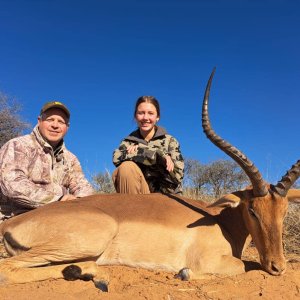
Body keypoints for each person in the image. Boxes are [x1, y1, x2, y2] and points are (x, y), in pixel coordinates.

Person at [0, 101, 95, 222]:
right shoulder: (18, 145)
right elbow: (13, 184)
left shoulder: (70, 158)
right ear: (39, 121)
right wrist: (58, 200)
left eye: (61, 122)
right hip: (15, 217)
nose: (55, 125)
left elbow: (83, 186)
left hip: (57, 214)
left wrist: (80, 202)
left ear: (67, 127)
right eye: (50, 120)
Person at [112, 95, 184, 194]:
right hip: (142, 195)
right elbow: (116, 158)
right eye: (141, 113)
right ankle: (132, 207)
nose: (145, 118)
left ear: (157, 117)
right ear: (135, 116)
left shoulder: (170, 141)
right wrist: (158, 155)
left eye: (150, 113)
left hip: (166, 197)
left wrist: (139, 152)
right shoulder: (128, 141)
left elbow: (177, 176)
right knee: (126, 168)